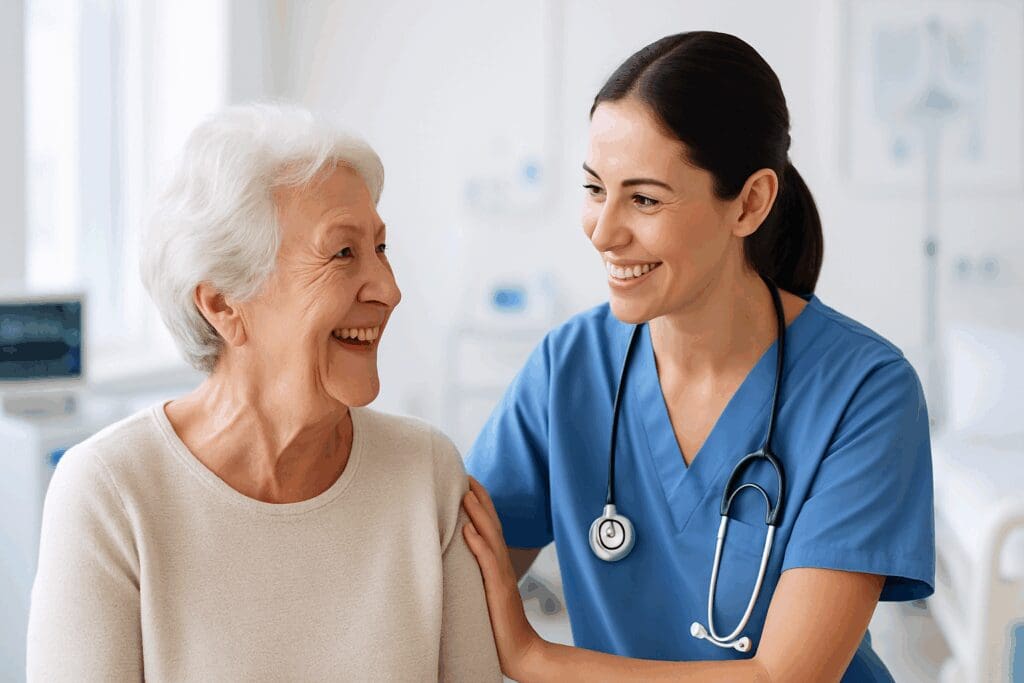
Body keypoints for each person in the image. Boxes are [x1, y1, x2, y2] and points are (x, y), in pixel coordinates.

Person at [461, 31, 933, 682]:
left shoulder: (865, 390)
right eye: (595, 188)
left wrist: (534, 656)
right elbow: (453, 584)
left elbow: (783, 677)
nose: (603, 231)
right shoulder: (568, 367)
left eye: (645, 198)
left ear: (750, 202)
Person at [27, 104, 501, 682]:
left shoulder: (425, 473)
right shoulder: (110, 494)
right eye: (343, 253)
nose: (389, 289)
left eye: (381, 248)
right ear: (223, 303)